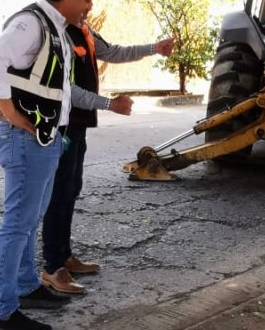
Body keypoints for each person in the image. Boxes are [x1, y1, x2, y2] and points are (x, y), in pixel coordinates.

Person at [0, 0, 98, 330]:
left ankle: (27, 286)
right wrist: (11, 113)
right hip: (26, 140)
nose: (89, 7)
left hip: (45, 139)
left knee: (30, 221)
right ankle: (3, 312)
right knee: (17, 224)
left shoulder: (56, 28)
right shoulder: (31, 23)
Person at [39, 23, 173, 295]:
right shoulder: (55, 32)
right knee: (59, 193)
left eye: (91, 2)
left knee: (71, 189)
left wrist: (153, 48)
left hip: (78, 125)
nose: (89, 6)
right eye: (86, 2)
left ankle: (64, 256)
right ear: (66, 0)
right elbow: (66, 89)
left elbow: (113, 52)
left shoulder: (84, 30)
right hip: (61, 125)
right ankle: (53, 266)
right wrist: (110, 104)